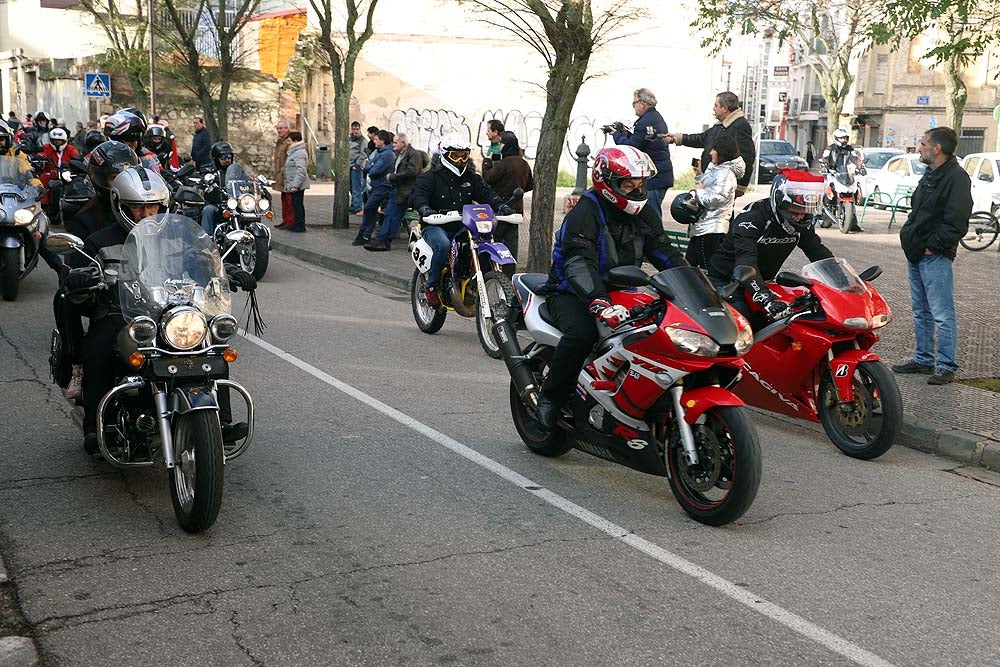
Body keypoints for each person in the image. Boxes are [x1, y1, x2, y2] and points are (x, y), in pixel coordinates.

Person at [61, 166, 255, 455]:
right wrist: (80, 278)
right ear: (119, 205)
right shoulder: (99, 241)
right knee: (98, 348)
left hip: (170, 311)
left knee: (211, 346)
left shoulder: (176, 236)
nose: (146, 214)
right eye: (137, 208)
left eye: (153, 206)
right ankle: (95, 427)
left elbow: (201, 262)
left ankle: (220, 422)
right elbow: (78, 277)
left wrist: (226, 270)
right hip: (121, 314)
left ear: (164, 205)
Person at [532, 146, 688, 430]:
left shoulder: (644, 212)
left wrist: (696, 286)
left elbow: (665, 253)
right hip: (572, 292)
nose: (636, 189)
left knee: (660, 331)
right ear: (607, 182)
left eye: (640, 183)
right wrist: (598, 301)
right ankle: (550, 398)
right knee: (582, 334)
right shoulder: (585, 212)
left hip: (625, 291)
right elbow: (579, 263)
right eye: (628, 184)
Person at [891, 127, 972, 386]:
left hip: (934, 255)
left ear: (937, 149)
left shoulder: (956, 177)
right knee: (920, 310)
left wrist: (933, 246)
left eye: (924, 143)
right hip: (917, 252)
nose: (919, 147)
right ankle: (923, 358)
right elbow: (919, 210)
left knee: (942, 312)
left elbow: (957, 221)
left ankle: (946, 365)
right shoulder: (931, 174)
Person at [706, 169, 834, 329]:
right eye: (795, 211)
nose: (800, 217)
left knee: (800, 318)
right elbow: (746, 262)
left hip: (764, 280)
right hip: (728, 281)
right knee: (746, 325)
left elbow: (816, 250)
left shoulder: (802, 223)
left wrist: (842, 279)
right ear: (779, 203)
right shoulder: (752, 219)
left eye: (806, 211)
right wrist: (765, 298)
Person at [411, 134, 513, 306]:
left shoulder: (471, 178)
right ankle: (431, 287)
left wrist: (500, 205)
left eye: (464, 155)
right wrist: (424, 208)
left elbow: (485, 193)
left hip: (463, 225)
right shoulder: (429, 177)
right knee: (443, 245)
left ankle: (475, 282)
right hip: (435, 225)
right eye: (455, 155)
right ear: (444, 155)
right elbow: (417, 195)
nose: (460, 160)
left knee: (483, 241)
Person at [662, 91, 756, 196]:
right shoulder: (720, 125)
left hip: (723, 183)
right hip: (712, 180)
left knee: (722, 211)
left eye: (716, 106)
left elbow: (747, 157)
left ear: (724, 108)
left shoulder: (739, 126)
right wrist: (677, 138)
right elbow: (702, 138)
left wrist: (740, 186)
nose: (713, 109)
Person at [606, 88, 673, 223]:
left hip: (655, 178)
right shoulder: (654, 118)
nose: (634, 107)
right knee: (648, 216)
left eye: (634, 103)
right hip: (661, 175)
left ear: (642, 103)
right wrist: (624, 133)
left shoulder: (646, 122)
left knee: (651, 218)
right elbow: (640, 141)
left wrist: (616, 135)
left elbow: (633, 147)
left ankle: (657, 243)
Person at [682, 135, 743, 269]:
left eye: (714, 149)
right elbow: (707, 189)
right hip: (703, 226)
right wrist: (699, 175)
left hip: (712, 229)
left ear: (722, 151)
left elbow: (716, 199)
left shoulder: (725, 174)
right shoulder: (717, 169)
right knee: (688, 267)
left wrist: (698, 192)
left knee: (707, 269)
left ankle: (707, 290)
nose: (710, 153)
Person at [483, 131, 533, 275]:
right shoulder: (523, 163)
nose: (500, 146)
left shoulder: (504, 163)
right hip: (516, 210)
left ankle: (490, 274)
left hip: (500, 210)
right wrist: (518, 188)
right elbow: (530, 184)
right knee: (511, 246)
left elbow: (488, 178)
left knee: (494, 241)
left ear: (506, 145)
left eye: (501, 143)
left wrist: (487, 162)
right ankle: (509, 276)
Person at [364, 132, 425, 251]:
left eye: (396, 142)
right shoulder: (400, 153)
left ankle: (384, 240)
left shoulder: (413, 154)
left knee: (393, 215)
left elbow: (411, 171)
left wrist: (393, 177)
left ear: (403, 143)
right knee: (390, 215)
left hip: (405, 191)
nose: (393, 145)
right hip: (397, 189)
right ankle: (383, 239)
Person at [820, 128, 865, 232]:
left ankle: (853, 223)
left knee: (854, 193)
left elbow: (855, 159)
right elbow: (825, 158)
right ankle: (825, 213)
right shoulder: (830, 148)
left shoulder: (850, 149)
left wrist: (860, 167)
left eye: (845, 138)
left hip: (846, 174)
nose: (843, 140)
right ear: (836, 139)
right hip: (833, 172)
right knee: (828, 189)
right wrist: (824, 166)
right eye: (841, 138)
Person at [355, 129, 395, 246]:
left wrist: (370, 165)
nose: (375, 141)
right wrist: (370, 165)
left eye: (377, 139)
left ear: (383, 141)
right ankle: (364, 234)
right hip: (375, 185)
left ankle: (366, 234)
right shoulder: (378, 152)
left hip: (383, 186)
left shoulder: (387, 154)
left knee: (369, 208)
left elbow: (374, 171)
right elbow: (368, 165)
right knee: (370, 209)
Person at [39, 127, 79, 218]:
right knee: (43, 177)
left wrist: (75, 162)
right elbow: (42, 154)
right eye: (55, 141)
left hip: (67, 174)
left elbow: (77, 157)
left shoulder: (70, 149)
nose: (57, 143)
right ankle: (44, 204)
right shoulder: (47, 147)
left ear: (64, 140)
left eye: (60, 141)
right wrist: (40, 157)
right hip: (51, 174)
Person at [200, 141, 236, 235]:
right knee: (207, 210)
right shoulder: (209, 171)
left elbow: (245, 180)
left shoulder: (235, 171)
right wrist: (205, 184)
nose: (227, 159)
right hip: (216, 204)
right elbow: (202, 183)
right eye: (223, 157)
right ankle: (207, 241)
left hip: (234, 204)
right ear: (216, 158)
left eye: (229, 156)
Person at [282, 131, 309, 233]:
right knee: (295, 204)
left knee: (298, 205)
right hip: (293, 183)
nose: (288, 143)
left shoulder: (299, 153)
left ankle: (300, 225)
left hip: (297, 185)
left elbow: (301, 170)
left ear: (295, 141)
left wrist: (295, 185)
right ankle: (296, 224)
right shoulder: (294, 152)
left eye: (289, 141)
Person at [272, 119, 293, 229]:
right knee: (284, 198)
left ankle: (290, 221)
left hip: (287, 175)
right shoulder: (280, 141)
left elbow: (289, 158)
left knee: (289, 200)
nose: (279, 130)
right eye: (278, 128)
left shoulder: (289, 141)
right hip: (280, 175)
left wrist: (283, 171)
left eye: (281, 128)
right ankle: (285, 220)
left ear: (287, 129)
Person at [348, 121, 368, 214]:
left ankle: (358, 207)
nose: (355, 131)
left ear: (360, 129)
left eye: (357, 129)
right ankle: (353, 205)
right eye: (353, 129)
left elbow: (363, 153)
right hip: (349, 166)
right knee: (351, 188)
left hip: (356, 167)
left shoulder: (363, 140)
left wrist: (357, 164)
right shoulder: (350, 139)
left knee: (356, 188)